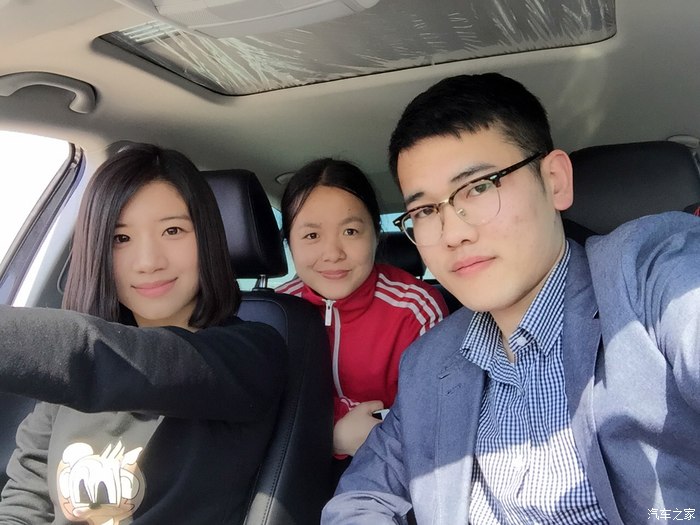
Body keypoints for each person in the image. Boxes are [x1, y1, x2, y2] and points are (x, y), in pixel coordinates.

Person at [322, 73, 700, 524]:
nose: (452, 233)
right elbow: (361, 499)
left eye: (479, 187)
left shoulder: (648, 275)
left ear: (554, 181)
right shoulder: (427, 364)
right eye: (424, 211)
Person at [0, 144, 287, 524]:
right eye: (121, 238)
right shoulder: (65, 385)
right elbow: (25, 501)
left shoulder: (252, 354)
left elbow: (115, 360)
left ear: (208, 238)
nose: (149, 262)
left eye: (173, 230)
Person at [276, 158, 448, 465]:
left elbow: (432, 419)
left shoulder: (415, 308)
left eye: (351, 231)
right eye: (312, 235)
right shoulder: (277, 311)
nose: (333, 254)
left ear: (376, 234)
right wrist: (331, 435)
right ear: (289, 243)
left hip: (392, 467)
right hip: (292, 467)